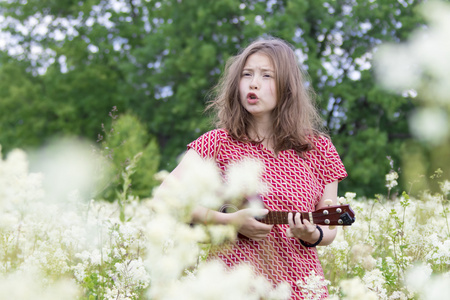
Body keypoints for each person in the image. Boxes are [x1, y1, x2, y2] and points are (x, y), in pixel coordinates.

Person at [166, 37, 347, 299]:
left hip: (299, 285)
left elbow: (329, 227)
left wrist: (312, 233)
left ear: (287, 86)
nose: (253, 83)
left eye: (266, 76)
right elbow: (166, 196)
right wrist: (229, 220)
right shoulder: (216, 143)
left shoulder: (319, 150)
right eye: (247, 74)